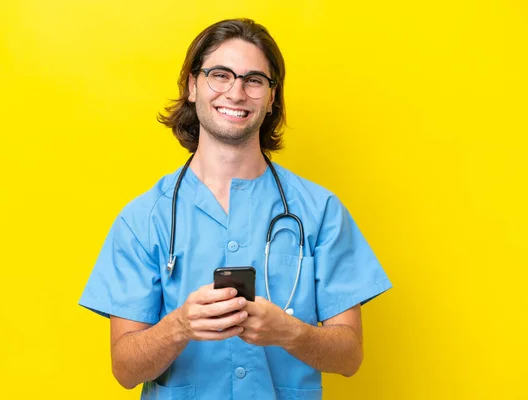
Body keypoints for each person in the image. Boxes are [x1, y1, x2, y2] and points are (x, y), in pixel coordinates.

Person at [79, 18, 392, 400]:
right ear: (192, 86)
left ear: (272, 96)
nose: (237, 92)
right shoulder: (143, 220)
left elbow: (350, 357)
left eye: (254, 80)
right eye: (220, 75)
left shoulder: (321, 211)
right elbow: (125, 370)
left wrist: (289, 333)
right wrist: (179, 326)